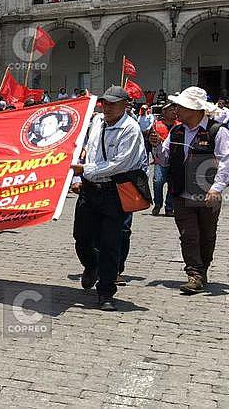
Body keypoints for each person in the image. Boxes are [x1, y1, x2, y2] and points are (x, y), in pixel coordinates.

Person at [150, 87, 229, 294]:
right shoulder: (176, 131)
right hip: (181, 193)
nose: (176, 109)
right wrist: (156, 146)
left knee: (207, 235)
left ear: (195, 109)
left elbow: (228, 162)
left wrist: (216, 188)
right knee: (188, 235)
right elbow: (164, 159)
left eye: (181, 106)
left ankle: (202, 268)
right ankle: (194, 273)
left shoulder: (218, 131)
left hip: (207, 194)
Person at [70, 86, 147, 311]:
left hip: (114, 193)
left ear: (125, 105)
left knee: (110, 242)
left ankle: (106, 292)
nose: (108, 107)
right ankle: (91, 265)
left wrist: (84, 170)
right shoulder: (96, 122)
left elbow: (119, 164)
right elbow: (88, 150)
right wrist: (79, 177)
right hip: (90, 190)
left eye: (114, 103)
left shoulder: (130, 129)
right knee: (81, 237)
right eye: (106, 103)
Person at [151, 103, 179, 216]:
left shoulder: (179, 125)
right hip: (160, 160)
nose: (174, 112)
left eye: (175, 110)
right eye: (171, 110)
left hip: (175, 160)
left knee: (172, 184)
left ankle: (169, 207)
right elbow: (151, 141)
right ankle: (158, 203)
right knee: (157, 181)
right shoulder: (156, 125)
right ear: (164, 112)